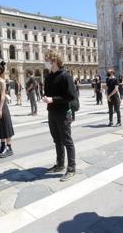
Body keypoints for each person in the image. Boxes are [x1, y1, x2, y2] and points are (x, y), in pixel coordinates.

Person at [43, 50, 77, 182]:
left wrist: (53, 99)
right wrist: (46, 98)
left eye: (47, 59)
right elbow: (48, 93)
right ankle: (60, 164)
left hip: (63, 113)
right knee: (57, 140)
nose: (45, 62)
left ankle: (71, 168)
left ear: (55, 61)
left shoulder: (65, 76)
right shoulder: (48, 77)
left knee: (67, 140)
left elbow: (71, 96)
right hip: (51, 112)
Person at [0, 62, 15, 158]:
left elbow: (2, 96)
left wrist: (0, 109)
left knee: (5, 128)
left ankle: (9, 148)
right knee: (1, 128)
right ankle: (2, 146)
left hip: (2, 108)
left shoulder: (1, 81)